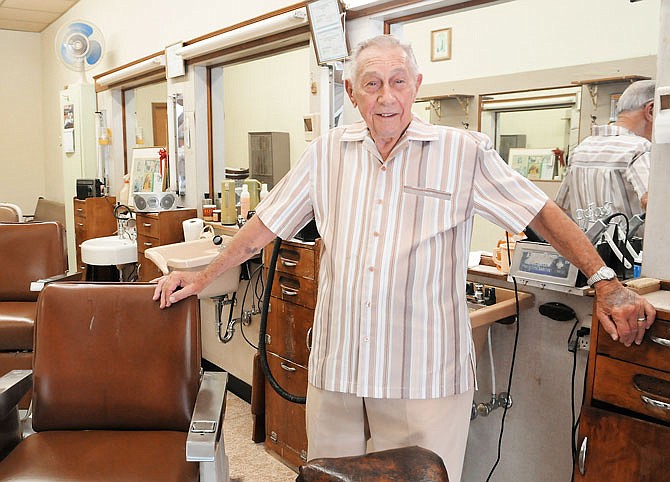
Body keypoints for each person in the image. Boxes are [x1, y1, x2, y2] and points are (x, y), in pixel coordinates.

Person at [153, 35, 655, 481]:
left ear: (417, 84)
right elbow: (265, 224)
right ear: (352, 94)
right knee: (329, 476)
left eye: (397, 81)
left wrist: (605, 279)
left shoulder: (462, 151)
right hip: (340, 364)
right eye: (371, 84)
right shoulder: (327, 152)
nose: (386, 96)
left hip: (423, 371)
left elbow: (540, 213)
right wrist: (203, 274)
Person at [556, 80, 654, 225]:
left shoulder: (581, 149)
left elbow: (561, 208)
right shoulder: (640, 148)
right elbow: (652, 202)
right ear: (651, 111)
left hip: (586, 246)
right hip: (631, 247)